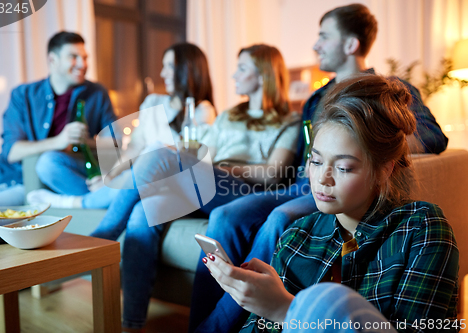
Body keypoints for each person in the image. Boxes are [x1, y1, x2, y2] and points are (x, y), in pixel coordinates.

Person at [188, 4, 449, 332]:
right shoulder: (316, 99)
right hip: (297, 184)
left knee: (279, 218)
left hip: (326, 193)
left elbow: (432, 136)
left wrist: (368, 137)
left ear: (351, 44)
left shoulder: (392, 91)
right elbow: (301, 159)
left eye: (324, 36)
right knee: (226, 214)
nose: (315, 45)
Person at [91, 44, 300, 332]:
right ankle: (131, 324)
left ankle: (104, 235)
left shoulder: (289, 121)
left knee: (159, 152)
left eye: (241, 68)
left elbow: (273, 174)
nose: (233, 74)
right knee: (143, 211)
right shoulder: (230, 115)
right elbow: (207, 154)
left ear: (264, 75)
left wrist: (220, 170)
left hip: (244, 192)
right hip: (209, 183)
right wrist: (194, 163)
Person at [27, 42, 216, 209]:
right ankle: (100, 199)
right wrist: (109, 178)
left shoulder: (201, 111)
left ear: (186, 70)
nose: (162, 73)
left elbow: (189, 160)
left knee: (140, 172)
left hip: (160, 181)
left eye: (169, 66)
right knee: (48, 163)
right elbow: (134, 147)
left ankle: (73, 202)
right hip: (133, 174)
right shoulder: (153, 102)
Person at [0, 31, 116, 215]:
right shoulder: (24, 94)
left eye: (85, 58)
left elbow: (113, 144)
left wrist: (86, 142)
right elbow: (12, 152)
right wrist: (58, 141)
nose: (82, 64)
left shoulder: (96, 94)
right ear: (52, 59)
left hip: (27, 182)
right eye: (74, 57)